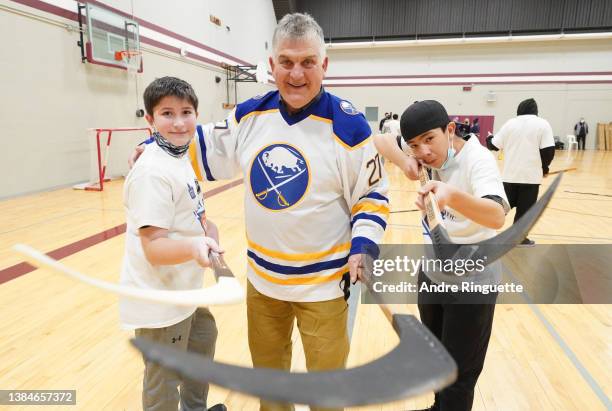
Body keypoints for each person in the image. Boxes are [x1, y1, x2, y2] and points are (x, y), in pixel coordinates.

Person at [132, 13, 388, 411]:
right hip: (264, 284)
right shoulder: (249, 115)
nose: (296, 73)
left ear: (324, 65)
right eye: (286, 62)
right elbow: (199, 145)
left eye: (307, 62)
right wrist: (154, 147)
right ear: (272, 66)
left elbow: (372, 195)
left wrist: (365, 246)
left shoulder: (349, 127)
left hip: (323, 286)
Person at [374, 100, 509, 411]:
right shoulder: (420, 155)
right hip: (433, 276)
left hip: (473, 284)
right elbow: (381, 140)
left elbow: (496, 215)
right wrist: (404, 160)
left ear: (450, 130)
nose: (423, 151)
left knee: (459, 375)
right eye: (414, 145)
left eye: (429, 140)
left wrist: (452, 196)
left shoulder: (478, 160)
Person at [120, 76, 226, 411]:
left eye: (186, 111)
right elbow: (154, 248)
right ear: (150, 120)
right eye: (167, 114)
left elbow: (192, 216)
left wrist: (208, 232)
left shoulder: (178, 156)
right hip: (161, 300)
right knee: (163, 383)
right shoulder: (152, 172)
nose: (179, 122)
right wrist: (196, 248)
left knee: (203, 342)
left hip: (186, 292)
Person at [487, 98, 555, 247]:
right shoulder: (543, 124)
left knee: (499, 208)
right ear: (535, 111)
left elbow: (493, 145)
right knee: (524, 213)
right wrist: (545, 168)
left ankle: (480, 232)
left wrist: (489, 138)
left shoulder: (510, 124)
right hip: (531, 179)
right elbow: (548, 151)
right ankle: (519, 239)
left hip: (509, 177)